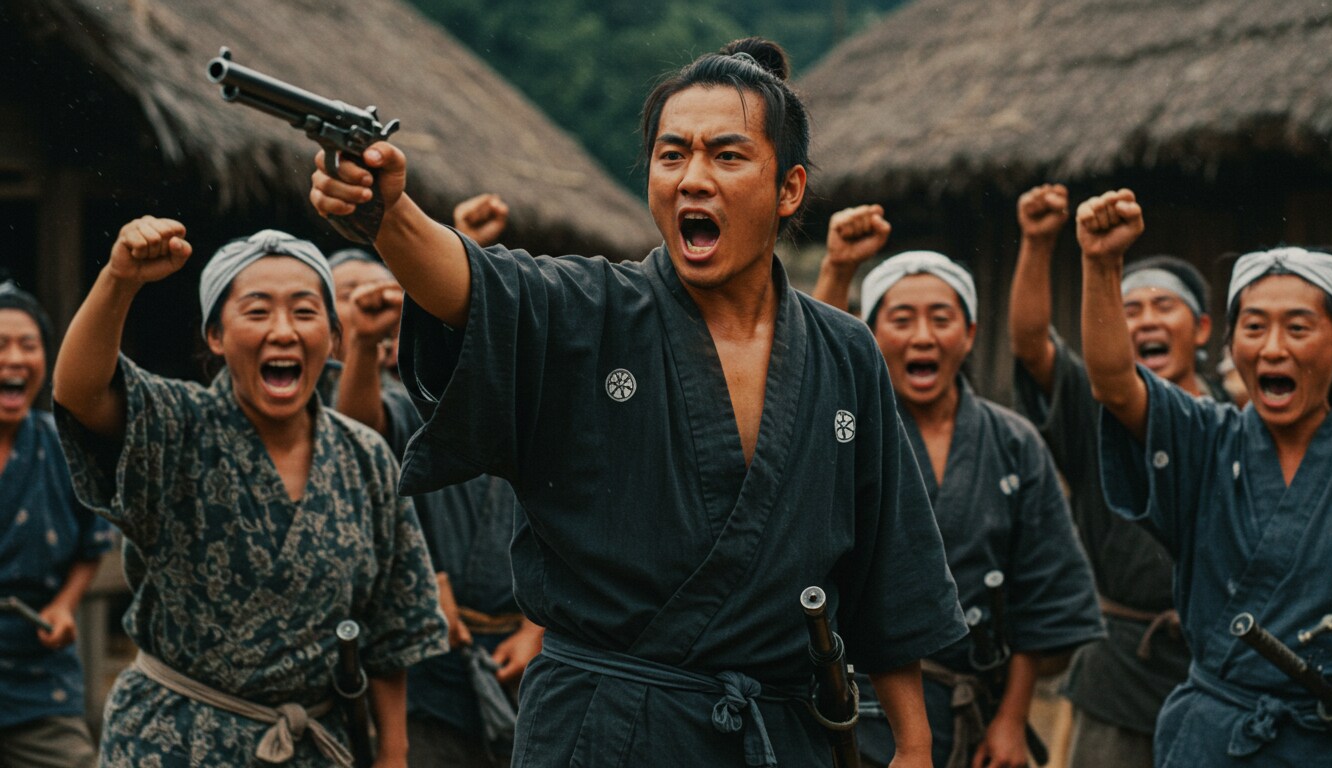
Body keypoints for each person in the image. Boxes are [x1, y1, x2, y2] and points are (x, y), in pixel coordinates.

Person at [310, 37, 968, 767]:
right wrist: (389, 216)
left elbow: (886, 560)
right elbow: (474, 282)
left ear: (789, 188)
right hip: (604, 729)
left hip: (780, 737)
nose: (693, 179)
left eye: (727, 156)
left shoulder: (845, 352)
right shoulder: (590, 309)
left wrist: (913, 744)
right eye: (671, 155)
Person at [51, 220, 446, 767]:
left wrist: (393, 755)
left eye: (304, 311)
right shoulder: (177, 426)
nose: (283, 330)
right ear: (215, 336)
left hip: (314, 747)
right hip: (173, 743)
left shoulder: (366, 456)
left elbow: (392, 626)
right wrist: (119, 279)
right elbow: (80, 392)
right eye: (257, 312)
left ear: (333, 338)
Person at [1075, 189, 1332, 765]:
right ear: (1230, 345)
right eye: (1254, 328)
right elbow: (1114, 384)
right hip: (1212, 741)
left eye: (1298, 328)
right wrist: (1102, 264)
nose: (1273, 348)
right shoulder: (1204, 439)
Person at [816, 210, 1104, 768]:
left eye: (941, 318)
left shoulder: (1015, 443)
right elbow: (812, 368)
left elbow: (1040, 594)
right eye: (902, 319)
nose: (923, 336)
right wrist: (838, 267)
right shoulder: (845, 432)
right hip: (853, 711)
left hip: (975, 719)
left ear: (969, 334)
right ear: (869, 335)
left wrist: (1012, 720)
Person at [1007, 183, 1224, 767]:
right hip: (1121, 668)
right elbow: (1030, 345)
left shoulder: (1236, 417)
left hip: (1219, 663)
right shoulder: (1092, 408)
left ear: (1202, 328)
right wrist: (1037, 242)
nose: (1146, 320)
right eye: (1130, 310)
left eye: (1163, 306)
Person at [326, 241, 541, 768]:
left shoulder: (537, 411)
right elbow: (357, 432)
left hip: (526, 666)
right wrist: (365, 341)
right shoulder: (410, 406)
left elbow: (578, 533)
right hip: (428, 667)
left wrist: (537, 629)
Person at [0, 281, 113, 768]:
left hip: (39, 677)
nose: (14, 358)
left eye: (28, 345)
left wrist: (65, 606)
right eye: (0, 345)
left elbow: (93, 543)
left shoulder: (64, 446)